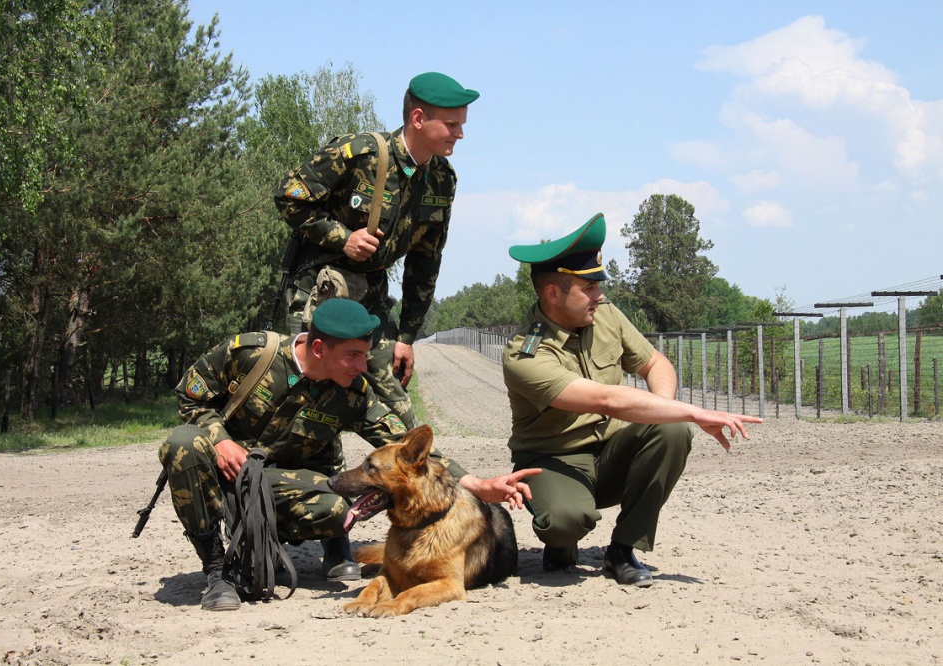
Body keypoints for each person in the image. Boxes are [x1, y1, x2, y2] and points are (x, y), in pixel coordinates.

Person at [160, 298, 537, 611]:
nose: (362, 366)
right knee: (182, 444)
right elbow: (188, 395)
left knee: (336, 509)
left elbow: (407, 446)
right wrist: (221, 438)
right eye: (353, 355)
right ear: (319, 348)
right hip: (226, 467)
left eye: (365, 355)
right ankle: (215, 571)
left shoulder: (354, 392)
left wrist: (475, 483)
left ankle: (271, 544)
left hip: (279, 482)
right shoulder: (251, 354)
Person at [501, 213, 763, 587]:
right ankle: (562, 541)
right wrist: (692, 411)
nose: (600, 295)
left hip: (613, 451)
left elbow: (655, 363)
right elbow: (607, 399)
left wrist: (663, 414)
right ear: (553, 293)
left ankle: (622, 550)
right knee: (564, 521)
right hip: (554, 460)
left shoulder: (605, 315)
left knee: (672, 432)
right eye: (588, 287)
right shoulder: (524, 354)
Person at [273, 71, 479, 430]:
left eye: (461, 125)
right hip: (317, 294)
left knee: (399, 412)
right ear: (418, 118)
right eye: (451, 124)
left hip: (370, 297)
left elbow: (425, 262)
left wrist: (407, 337)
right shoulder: (359, 153)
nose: (460, 134)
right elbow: (289, 196)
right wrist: (342, 238)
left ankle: (414, 481)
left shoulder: (443, 180)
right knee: (305, 397)